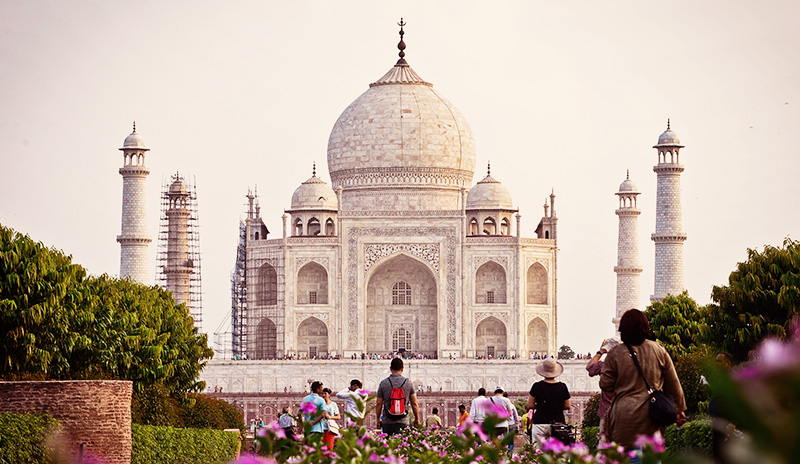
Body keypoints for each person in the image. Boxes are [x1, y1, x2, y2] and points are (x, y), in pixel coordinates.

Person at [600, 308, 687, 451]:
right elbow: (673, 383)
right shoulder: (658, 350)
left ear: (622, 329)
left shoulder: (615, 353)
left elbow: (605, 384)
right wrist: (679, 409)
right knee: (650, 454)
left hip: (623, 416)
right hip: (652, 414)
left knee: (624, 455)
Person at [527, 357, 572, 447]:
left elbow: (530, 405)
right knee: (557, 452)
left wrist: (541, 406)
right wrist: (556, 406)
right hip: (558, 422)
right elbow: (568, 405)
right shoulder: (562, 386)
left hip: (540, 423)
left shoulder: (537, 386)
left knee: (538, 452)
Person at [375, 357, 420, 435]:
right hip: (403, 421)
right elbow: (414, 403)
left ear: (390, 368)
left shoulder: (383, 383)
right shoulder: (408, 383)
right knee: (402, 442)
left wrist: (378, 419)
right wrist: (417, 419)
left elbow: (379, 403)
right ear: (402, 368)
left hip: (387, 422)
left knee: (388, 442)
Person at [586, 337, 618, 444]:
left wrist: (600, 352)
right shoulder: (628, 365)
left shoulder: (604, 365)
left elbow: (589, 367)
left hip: (606, 411)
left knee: (604, 444)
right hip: (625, 410)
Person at [709, 352, 736, 464]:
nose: (716, 364)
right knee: (718, 455)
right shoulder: (721, 378)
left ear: (728, 363)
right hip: (718, 423)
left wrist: (733, 423)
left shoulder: (733, 379)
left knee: (726, 456)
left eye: (719, 361)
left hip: (727, 424)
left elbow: (738, 402)